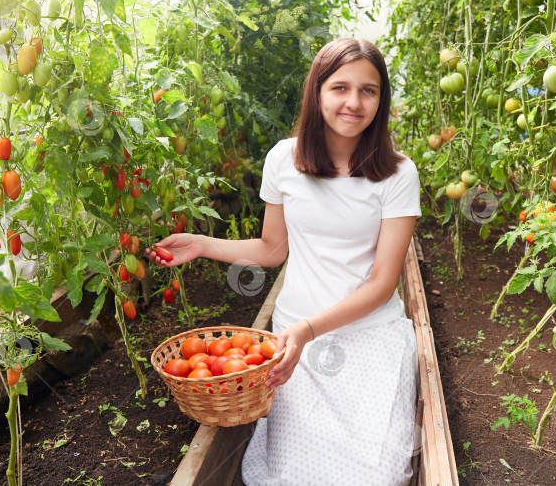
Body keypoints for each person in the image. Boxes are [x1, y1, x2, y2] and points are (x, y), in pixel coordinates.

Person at [146, 37, 421, 485]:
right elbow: (273, 250)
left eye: (368, 91)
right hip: (297, 345)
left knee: (382, 474)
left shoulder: (397, 172)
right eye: (340, 88)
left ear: (381, 99)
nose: (354, 102)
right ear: (317, 92)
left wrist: (306, 330)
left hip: (369, 337)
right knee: (294, 474)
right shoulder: (284, 159)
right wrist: (202, 243)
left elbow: (382, 284)